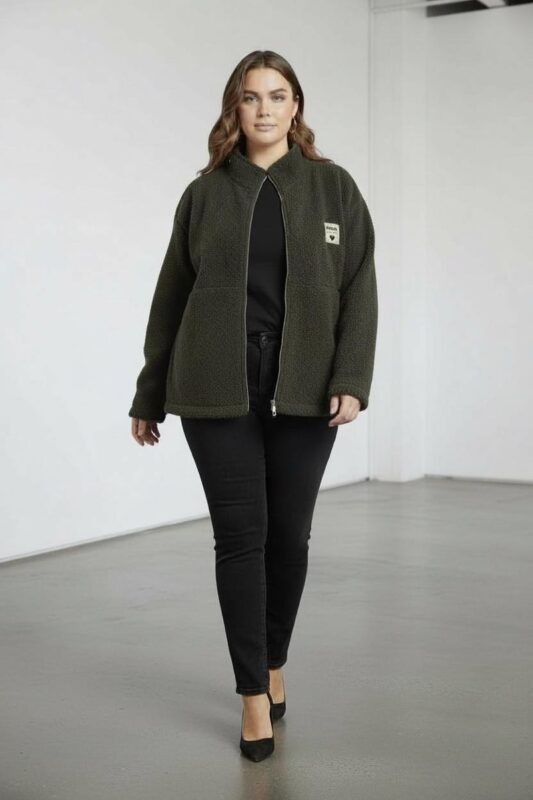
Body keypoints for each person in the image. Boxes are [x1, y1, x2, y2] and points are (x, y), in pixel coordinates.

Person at [128, 50, 378, 762]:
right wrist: (149, 391)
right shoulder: (204, 194)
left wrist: (351, 377)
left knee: (288, 538)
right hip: (215, 383)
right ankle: (250, 698)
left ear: (295, 107)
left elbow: (360, 288)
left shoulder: (333, 188)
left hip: (305, 386)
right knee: (239, 538)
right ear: (233, 108)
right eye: (250, 96)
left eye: (276, 95)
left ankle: (273, 661)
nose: (263, 109)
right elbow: (170, 296)